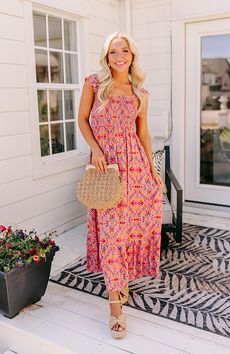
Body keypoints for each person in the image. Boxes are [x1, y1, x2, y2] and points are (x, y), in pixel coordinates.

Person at [78, 31, 163, 339]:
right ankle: (115, 307)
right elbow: (82, 120)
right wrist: (97, 151)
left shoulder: (141, 93)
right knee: (112, 231)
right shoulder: (94, 84)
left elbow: (144, 134)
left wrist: (153, 172)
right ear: (107, 56)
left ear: (132, 55)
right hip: (106, 167)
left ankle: (122, 281)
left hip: (136, 166)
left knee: (131, 227)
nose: (119, 56)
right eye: (113, 51)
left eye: (124, 51)